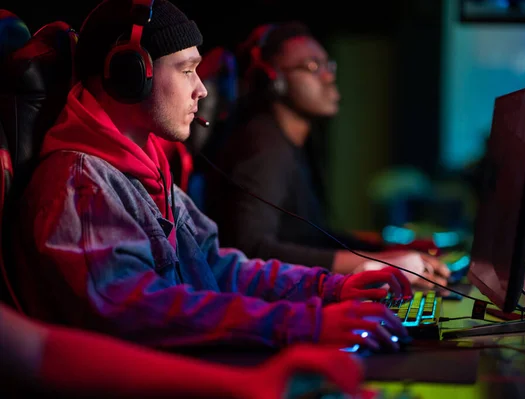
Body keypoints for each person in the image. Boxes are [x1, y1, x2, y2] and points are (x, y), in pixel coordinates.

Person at [11, 0, 410, 353]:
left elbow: (219, 268)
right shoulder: (83, 187)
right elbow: (141, 312)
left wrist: (331, 288)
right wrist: (303, 324)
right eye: (186, 70)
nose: (201, 89)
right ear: (130, 75)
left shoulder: (145, 168)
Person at [203, 22, 451, 285]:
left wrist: (388, 249)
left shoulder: (291, 143)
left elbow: (310, 237)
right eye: (312, 66)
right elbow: (251, 250)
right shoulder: (263, 146)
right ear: (272, 80)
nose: (328, 76)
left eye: (327, 65)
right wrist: (380, 263)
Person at [0, 302, 376, 398]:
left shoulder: (156, 168)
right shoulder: (84, 177)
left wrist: (331, 288)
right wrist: (300, 320)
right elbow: (132, 311)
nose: (204, 97)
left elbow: (37, 349)